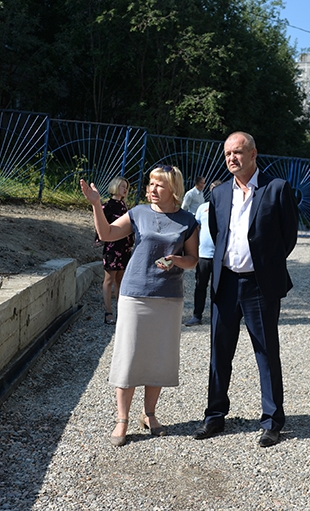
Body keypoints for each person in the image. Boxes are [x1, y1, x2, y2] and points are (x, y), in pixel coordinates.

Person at [192, 131, 298, 448]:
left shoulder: (276, 188)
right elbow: (217, 234)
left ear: (253, 154)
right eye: (227, 154)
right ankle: (214, 416)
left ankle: (272, 422)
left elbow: (288, 237)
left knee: (266, 353)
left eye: (237, 152)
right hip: (225, 283)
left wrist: (265, 264)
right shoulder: (220, 193)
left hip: (259, 285)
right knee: (219, 353)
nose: (231, 158)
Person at [80, 165, 199, 447]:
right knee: (129, 355)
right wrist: (96, 204)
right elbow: (107, 233)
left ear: (173, 189)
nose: (152, 189)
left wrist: (176, 260)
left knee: (158, 356)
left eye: (159, 184)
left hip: (168, 297)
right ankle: (122, 419)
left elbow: (193, 259)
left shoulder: (188, 221)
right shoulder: (138, 213)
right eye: (151, 183)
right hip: (135, 293)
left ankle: (149, 414)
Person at [184, 180, 221, 327]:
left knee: (218, 288)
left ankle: (217, 317)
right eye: (213, 189)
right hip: (204, 254)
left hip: (220, 256)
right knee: (200, 285)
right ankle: (197, 315)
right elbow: (196, 228)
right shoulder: (202, 208)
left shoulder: (228, 206)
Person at [98, 177, 134, 325]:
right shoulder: (107, 206)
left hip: (125, 247)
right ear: (115, 187)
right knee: (109, 279)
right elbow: (100, 226)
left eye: (126, 187)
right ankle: (108, 312)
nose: (125, 189)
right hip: (112, 248)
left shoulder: (125, 206)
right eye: (122, 186)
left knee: (120, 280)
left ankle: (121, 311)